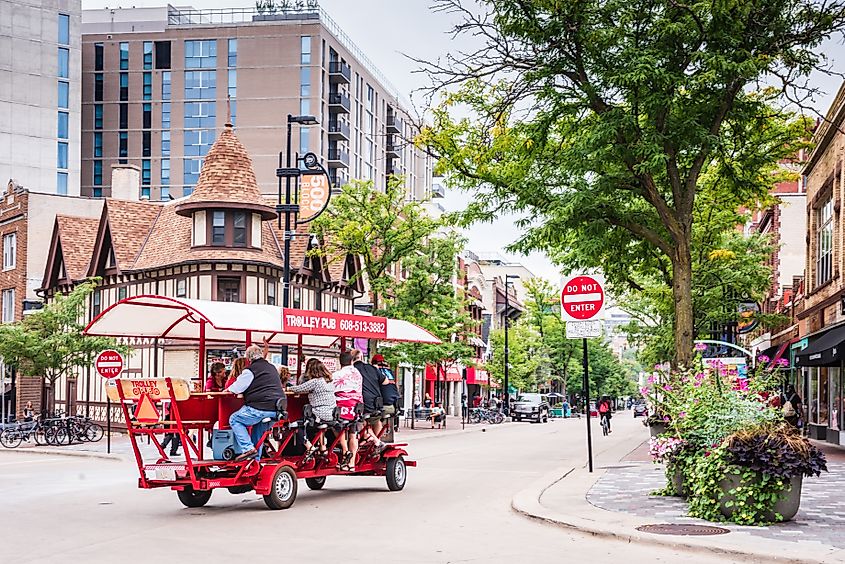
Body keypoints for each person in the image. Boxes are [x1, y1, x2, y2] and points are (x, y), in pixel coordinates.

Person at [226, 344, 285, 461]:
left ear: (248, 359)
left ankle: (248, 449)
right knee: (258, 431)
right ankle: (254, 462)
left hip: (260, 407)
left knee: (235, 419)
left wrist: (227, 390)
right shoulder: (272, 367)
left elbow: (236, 388)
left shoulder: (250, 370)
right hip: (277, 409)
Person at [289, 359, 336, 457]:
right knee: (318, 426)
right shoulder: (329, 381)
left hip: (319, 415)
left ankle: (310, 448)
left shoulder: (315, 382)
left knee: (298, 425)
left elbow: (298, 389)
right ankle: (322, 448)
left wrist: (288, 388)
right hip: (332, 415)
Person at [332, 351, 363, 471]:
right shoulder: (358, 373)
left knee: (336, 428)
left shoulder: (337, 375)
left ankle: (345, 451)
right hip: (356, 408)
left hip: (342, 409)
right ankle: (352, 463)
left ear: (340, 362)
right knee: (353, 434)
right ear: (351, 361)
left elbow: (331, 389)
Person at [353, 350, 390, 450]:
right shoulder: (372, 368)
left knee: (362, 420)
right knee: (376, 419)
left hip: (363, 403)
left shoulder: (353, 370)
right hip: (377, 402)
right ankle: (376, 443)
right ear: (361, 357)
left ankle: (370, 439)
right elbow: (386, 381)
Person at [374, 354, 400, 435]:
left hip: (382, 406)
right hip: (393, 406)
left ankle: (375, 440)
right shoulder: (389, 371)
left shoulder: (375, 371)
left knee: (371, 419)